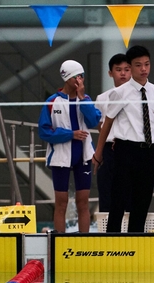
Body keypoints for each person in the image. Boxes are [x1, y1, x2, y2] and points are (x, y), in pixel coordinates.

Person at [92, 45, 154, 232]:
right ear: (130, 67)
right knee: (119, 199)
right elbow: (107, 123)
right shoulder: (121, 92)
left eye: (147, 64)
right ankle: (113, 241)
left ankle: (136, 239)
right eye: (138, 65)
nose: (143, 69)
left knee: (143, 200)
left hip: (149, 150)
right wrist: (98, 153)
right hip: (125, 150)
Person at [38, 60, 101, 233]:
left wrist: (82, 98)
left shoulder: (86, 100)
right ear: (67, 78)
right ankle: (59, 243)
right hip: (60, 156)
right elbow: (44, 132)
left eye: (82, 77)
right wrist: (70, 134)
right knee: (61, 203)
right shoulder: (52, 102)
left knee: (83, 202)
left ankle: (84, 244)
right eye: (76, 77)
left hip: (83, 156)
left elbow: (94, 121)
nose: (80, 81)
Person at [95, 54, 131, 213]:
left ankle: (130, 235)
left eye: (126, 69)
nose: (123, 73)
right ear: (110, 73)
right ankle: (106, 234)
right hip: (109, 149)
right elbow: (99, 125)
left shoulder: (138, 96)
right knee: (107, 194)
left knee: (129, 195)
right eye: (118, 70)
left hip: (131, 148)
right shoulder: (103, 98)